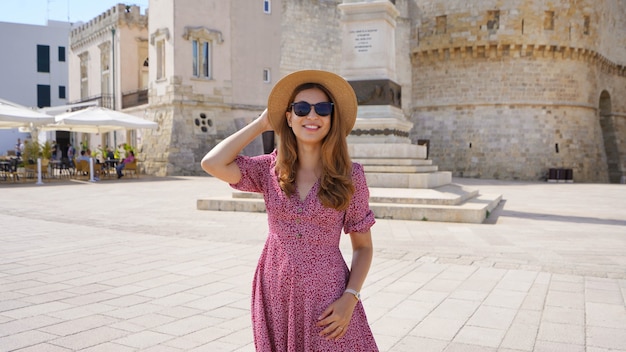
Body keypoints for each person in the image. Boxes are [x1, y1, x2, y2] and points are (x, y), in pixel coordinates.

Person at [201, 70, 378, 351]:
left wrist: (350, 297)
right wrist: (261, 124)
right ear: (289, 117)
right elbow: (212, 163)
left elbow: (363, 247)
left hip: (327, 296)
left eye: (322, 109)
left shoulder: (350, 175)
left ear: (332, 118)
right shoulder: (270, 169)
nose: (312, 116)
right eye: (301, 108)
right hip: (274, 289)